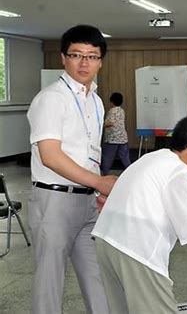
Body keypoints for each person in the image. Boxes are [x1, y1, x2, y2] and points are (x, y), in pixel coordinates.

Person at [91, 114, 187, 313]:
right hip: (137, 251)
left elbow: (167, 209)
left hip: (108, 241)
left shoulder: (156, 158)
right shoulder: (181, 172)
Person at [27, 25, 117, 314]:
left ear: (101, 61)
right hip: (54, 201)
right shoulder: (52, 99)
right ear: (63, 58)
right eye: (76, 55)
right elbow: (50, 156)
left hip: (88, 202)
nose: (84, 63)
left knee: (98, 277)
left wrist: (95, 189)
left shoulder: (97, 100)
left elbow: (90, 152)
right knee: (50, 282)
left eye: (92, 56)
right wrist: (99, 182)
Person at [100, 92, 131, 175]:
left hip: (112, 139)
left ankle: (104, 174)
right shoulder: (122, 111)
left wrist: (101, 124)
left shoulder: (112, 111)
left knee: (108, 157)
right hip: (123, 138)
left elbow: (110, 123)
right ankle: (131, 172)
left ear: (112, 101)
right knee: (125, 157)